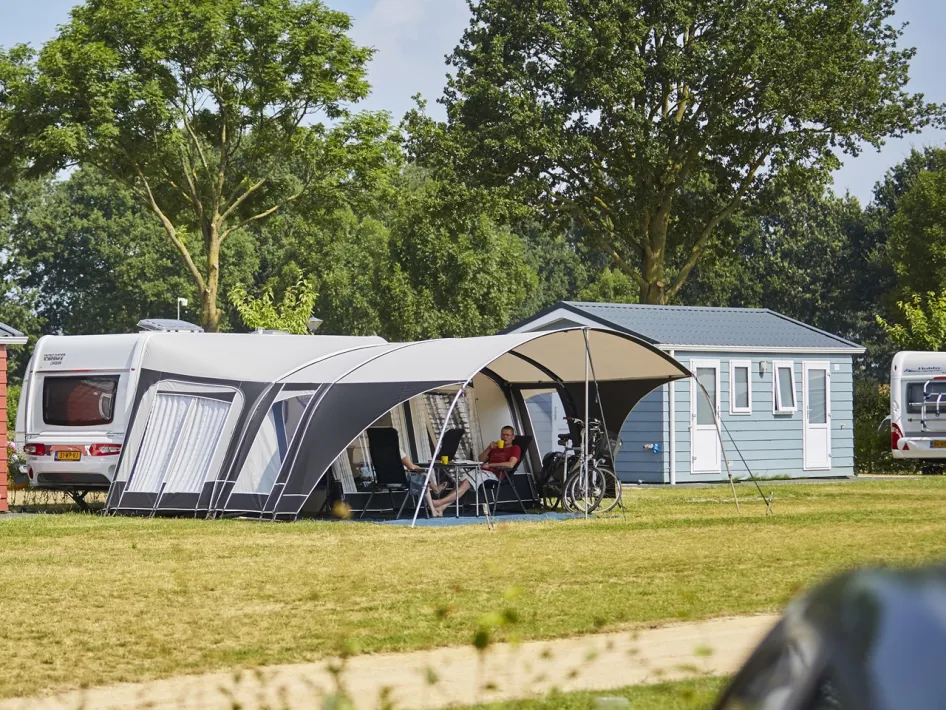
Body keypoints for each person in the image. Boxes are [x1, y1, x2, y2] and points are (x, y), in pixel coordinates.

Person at [430, 426, 520, 517]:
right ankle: (441, 508)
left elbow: (510, 464)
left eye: (508, 435)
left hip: (495, 474)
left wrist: (491, 465)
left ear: (513, 437)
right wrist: (489, 448)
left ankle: (439, 502)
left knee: (465, 483)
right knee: (461, 483)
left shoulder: (515, 448)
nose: (505, 437)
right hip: (482, 471)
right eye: (503, 435)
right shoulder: (495, 447)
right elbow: (480, 460)